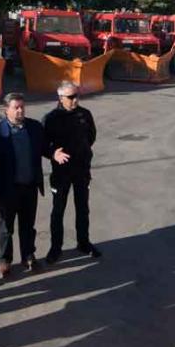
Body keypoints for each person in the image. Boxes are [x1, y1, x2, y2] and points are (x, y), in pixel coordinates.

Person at [0, 93, 44, 277]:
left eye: (22, 107)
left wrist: (54, 154)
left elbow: (44, 148)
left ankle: (28, 255)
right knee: (6, 227)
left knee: (28, 225)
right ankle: (5, 259)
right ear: (6, 110)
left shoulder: (34, 127)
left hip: (29, 185)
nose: (20, 110)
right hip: (7, 189)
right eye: (16, 107)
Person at [43, 82, 101, 264]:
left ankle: (83, 243)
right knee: (58, 211)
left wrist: (82, 152)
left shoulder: (84, 114)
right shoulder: (51, 118)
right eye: (71, 97)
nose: (75, 99)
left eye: (77, 95)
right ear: (60, 98)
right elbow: (43, 144)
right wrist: (53, 153)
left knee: (83, 208)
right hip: (61, 173)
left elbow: (91, 136)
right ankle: (55, 248)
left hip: (82, 170)